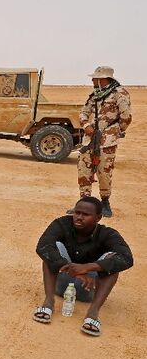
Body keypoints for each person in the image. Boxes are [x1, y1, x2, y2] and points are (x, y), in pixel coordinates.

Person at [34, 196, 133, 336]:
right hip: (61, 284)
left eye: (85, 214)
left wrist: (89, 267)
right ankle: (48, 302)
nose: (79, 217)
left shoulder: (107, 234)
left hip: (89, 289)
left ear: (98, 218)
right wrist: (76, 271)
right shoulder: (62, 224)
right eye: (77, 212)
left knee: (112, 260)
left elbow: (127, 258)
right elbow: (43, 247)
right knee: (52, 250)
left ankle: (93, 313)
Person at [75, 66, 132, 217]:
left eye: (95, 78)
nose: (92, 80)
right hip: (89, 141)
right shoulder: (95, 95)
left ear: (103, 79)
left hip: (107, 142)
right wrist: (86, 125)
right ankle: (84, 204)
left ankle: (105, 203)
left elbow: (126, 117)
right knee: (83, 169)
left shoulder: (119, 94)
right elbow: (83, 113)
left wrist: (113, 132)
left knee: (104, 172)